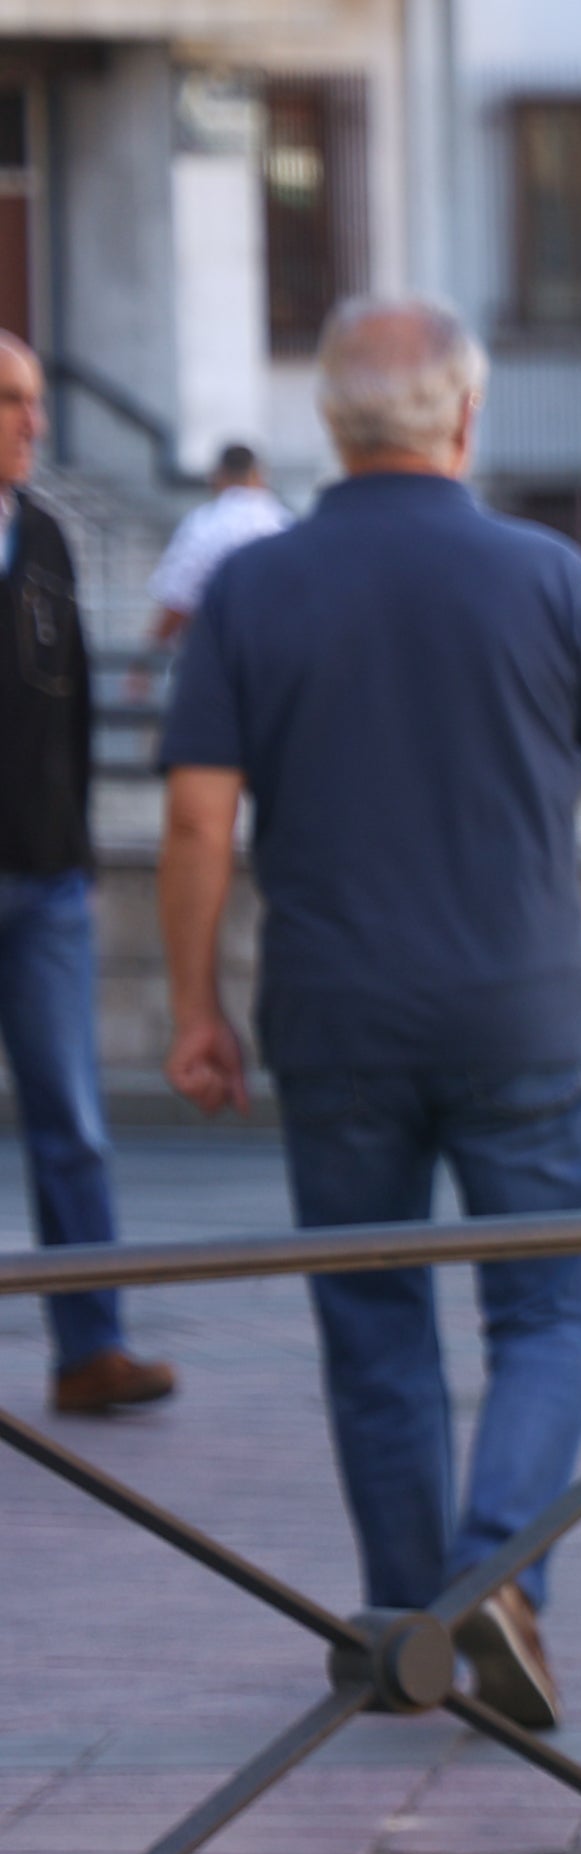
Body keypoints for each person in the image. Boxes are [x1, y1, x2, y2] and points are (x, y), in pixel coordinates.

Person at [156, 296, 581, 1728]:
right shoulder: (547, 575)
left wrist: (200, 1008)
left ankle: (413, 1624)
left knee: (372, 1318)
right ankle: (496, 1576)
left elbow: (199, 825)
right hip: (522, 1010)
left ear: (329, 425)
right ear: (465, 417)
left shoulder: (251, 591)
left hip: (334, 1016)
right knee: (552, 1307)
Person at [0, 337, 169, 1415]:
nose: (36, 421)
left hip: (46, 883)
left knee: (73, 1119)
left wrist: (82, 853)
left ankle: (89, 1348)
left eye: (36, 400)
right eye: (15, 400)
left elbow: (74, 710)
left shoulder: (47, 535)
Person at [146, 442, 292, 662]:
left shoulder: (204, 523)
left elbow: (179, 599)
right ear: (259, 475)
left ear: (218, 476)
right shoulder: (283, 522)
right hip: (278, 653)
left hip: (217, 656)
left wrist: (144, 660)